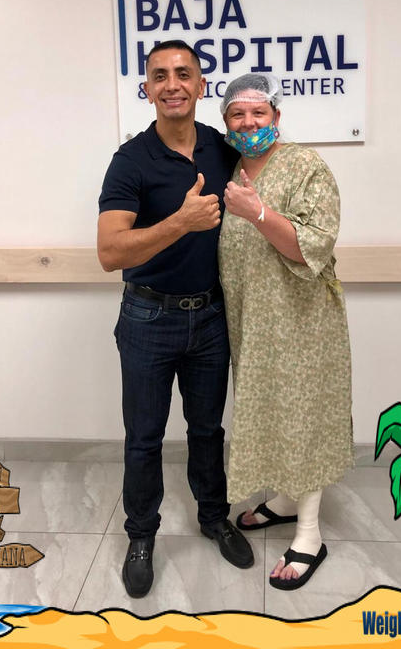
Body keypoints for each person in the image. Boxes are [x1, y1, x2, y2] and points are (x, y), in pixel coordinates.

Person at [97, 40, 253, 599]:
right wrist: (180, 222)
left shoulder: (222, 148)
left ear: (201, 85)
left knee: (208, 431)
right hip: (147, 317)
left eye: (183, 73)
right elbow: (109, 252)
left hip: (210, 316)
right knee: (144, 438)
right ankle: (141, 537)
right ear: (147, 89)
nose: (172, 84)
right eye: (159, 75)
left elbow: (268, 179)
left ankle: (214, 518)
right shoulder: (131, 160)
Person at [218, 72, 353, 590]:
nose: (248, 122)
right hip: (253, 321)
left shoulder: (306, 166)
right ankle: (285, 500)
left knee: (304, 415)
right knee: (271, 409)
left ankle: (310, 534)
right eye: (237, 114)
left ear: (277, 115)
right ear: (226, 121)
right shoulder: (230, 170)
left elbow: (311, 246)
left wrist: (258, 212)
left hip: (302, 319)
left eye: (259, 112)